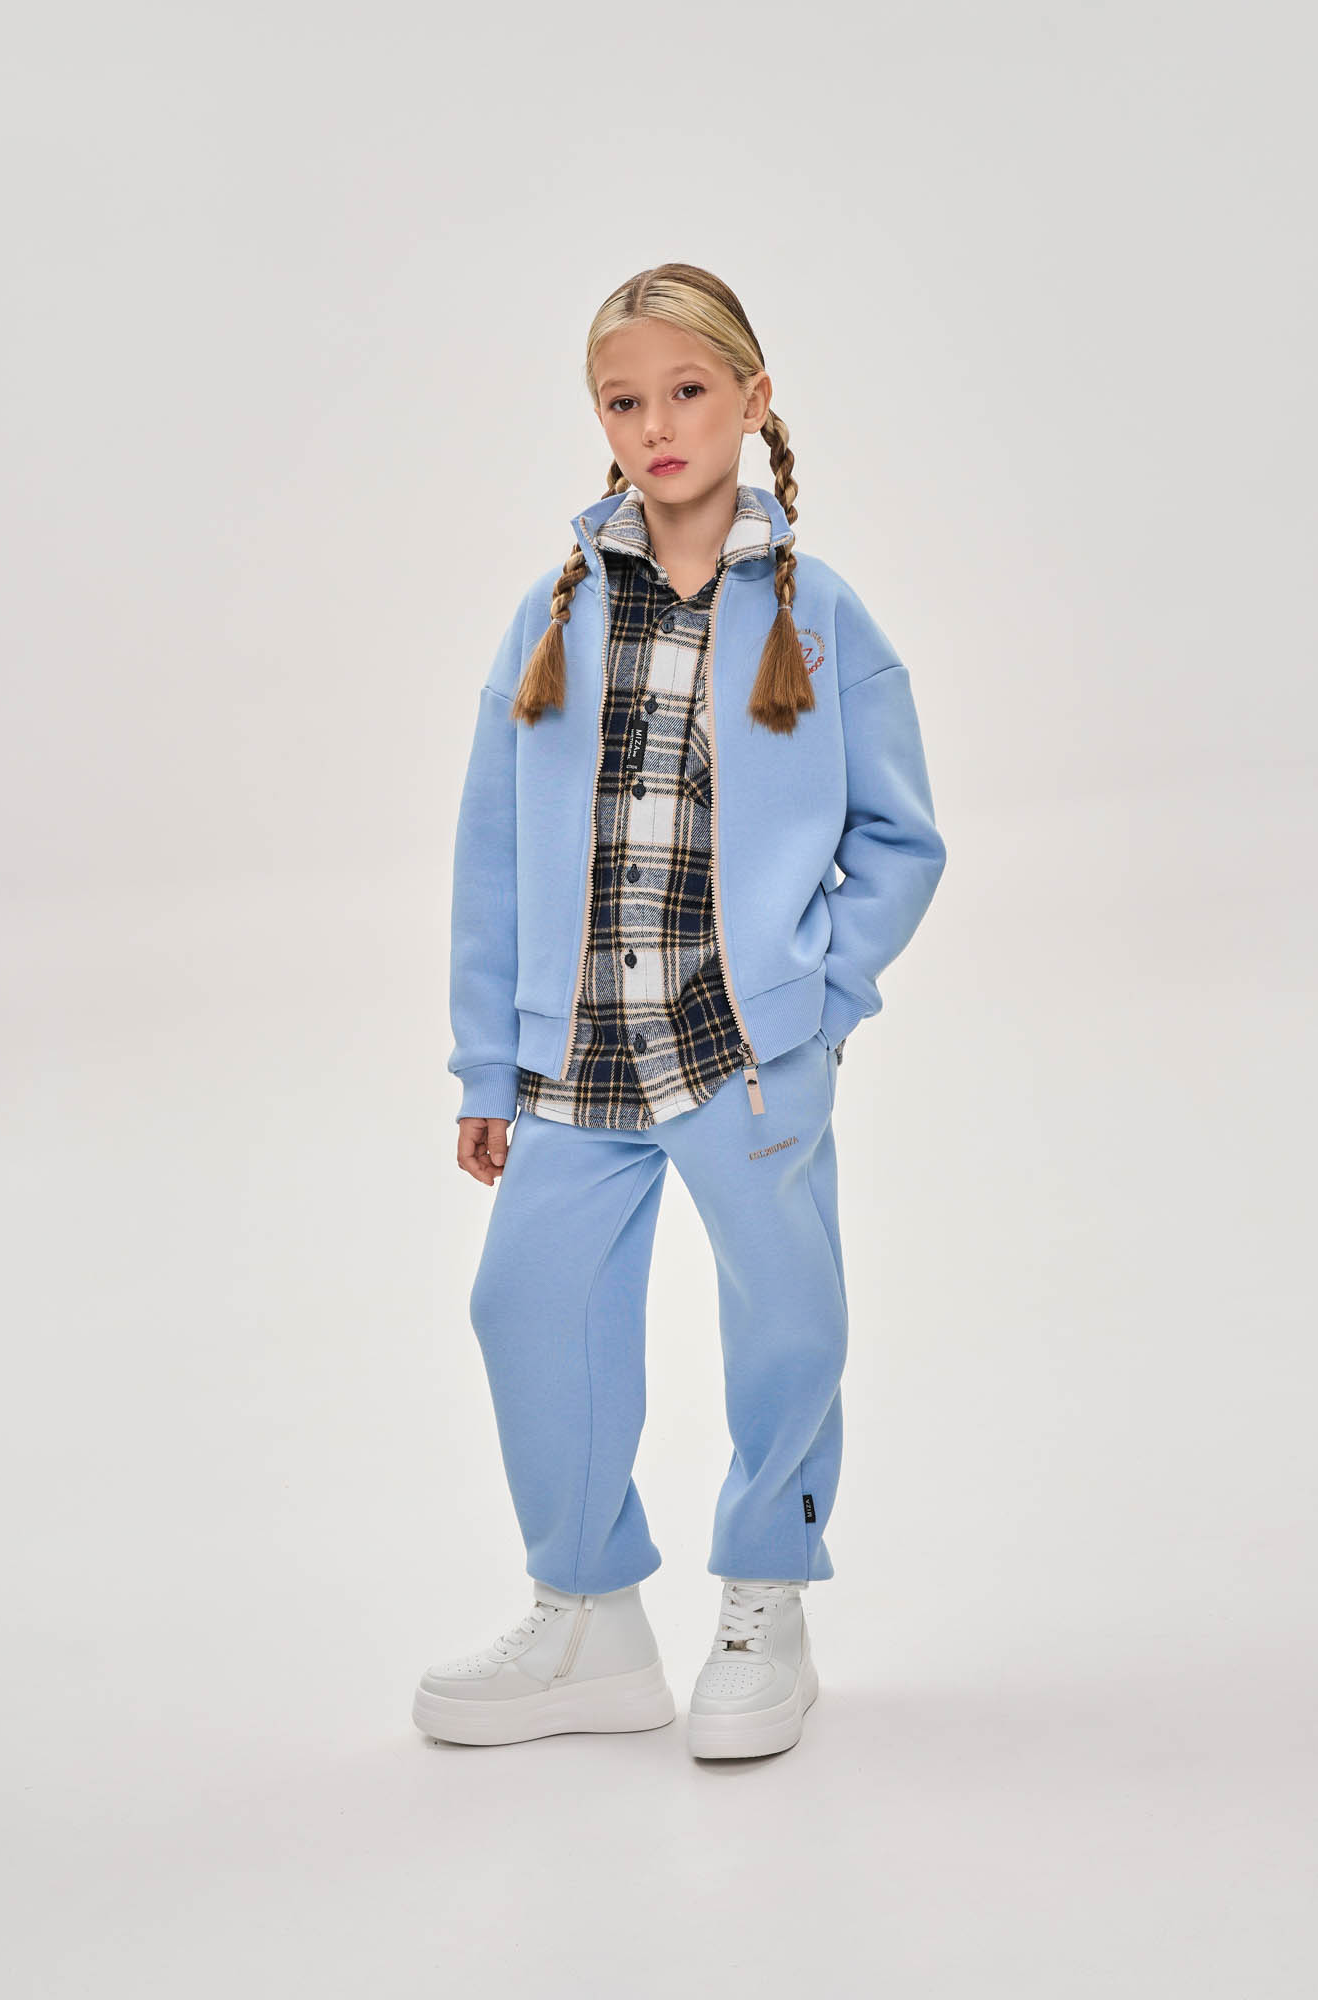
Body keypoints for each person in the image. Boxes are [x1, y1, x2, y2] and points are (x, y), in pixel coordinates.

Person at [413, 263, 947, 1759]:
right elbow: (490, 851)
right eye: (623, 401)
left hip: (741, 1054)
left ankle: (767, 1597)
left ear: (752, 400)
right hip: (578, 1053)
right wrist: (487, 1059)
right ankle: (587, 1614)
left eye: (688, 392)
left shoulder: (817, 615)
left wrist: (815, 996)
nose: (656, 425)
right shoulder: (557, 609)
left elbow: (900, 839)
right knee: (526, 1303)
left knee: (785, 1318)